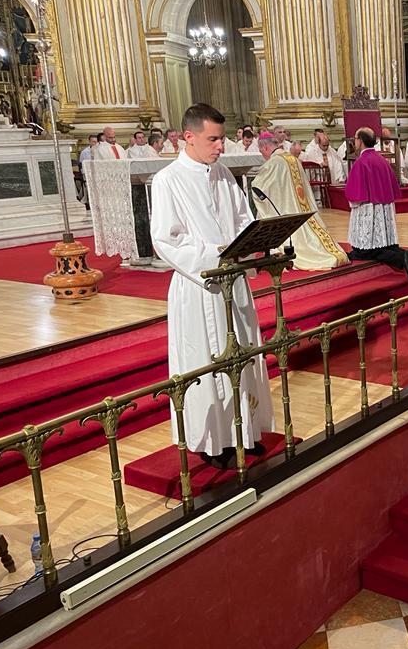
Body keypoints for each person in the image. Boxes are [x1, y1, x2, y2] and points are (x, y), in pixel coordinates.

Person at [149, 103, 275, 470]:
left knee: (244, 354)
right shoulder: (168, 180)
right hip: (199, 286)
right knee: (206, 359)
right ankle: (213, 441)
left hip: (232, 280)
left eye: (222, 138)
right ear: (189, 137)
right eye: (214, 139)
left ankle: (244, 432)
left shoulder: (222, 174)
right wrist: (215, 255)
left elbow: (242, 219)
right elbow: (167, 239)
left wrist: (249, 241)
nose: (222, 146)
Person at [251, 133, 349, 271]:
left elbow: (259, 187)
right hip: (303, 208)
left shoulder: (273, 163)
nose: (262, 155)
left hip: (287, 208)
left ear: (265, 147)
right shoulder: (293, 158)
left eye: (261, 151)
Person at [344, 127, 408, 277]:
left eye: (355, 138)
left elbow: (356, 196)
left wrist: (354, 203)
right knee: (386, 243)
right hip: (384, 209)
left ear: (360, 141)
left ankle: (401, 258)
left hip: (369, 210)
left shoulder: (361, 162)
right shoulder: (382, 160)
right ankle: (406, 255)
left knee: (366, 251)